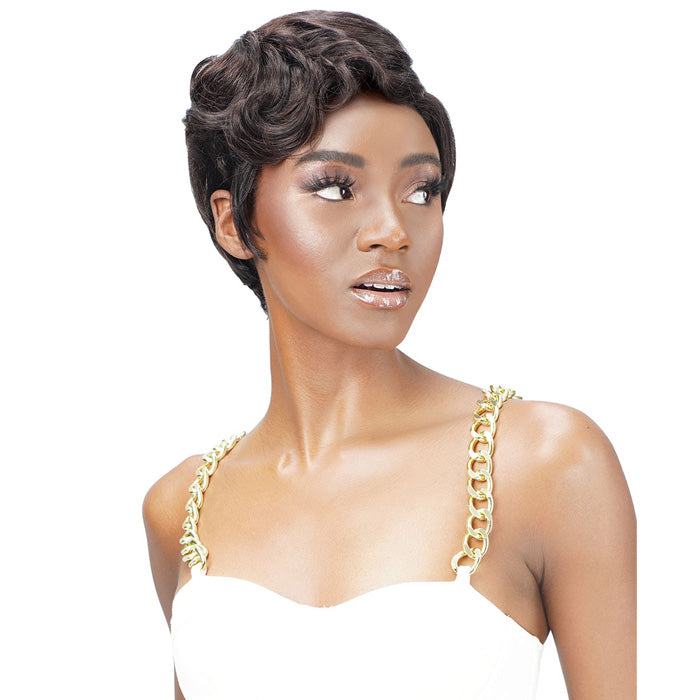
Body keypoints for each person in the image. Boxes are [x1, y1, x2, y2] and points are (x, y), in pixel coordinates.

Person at [143, 10, 636, 699]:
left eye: (422, 191)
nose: (392, 231)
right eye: (336, 188)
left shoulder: (543, 461)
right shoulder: (181, 506)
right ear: (234, 223)